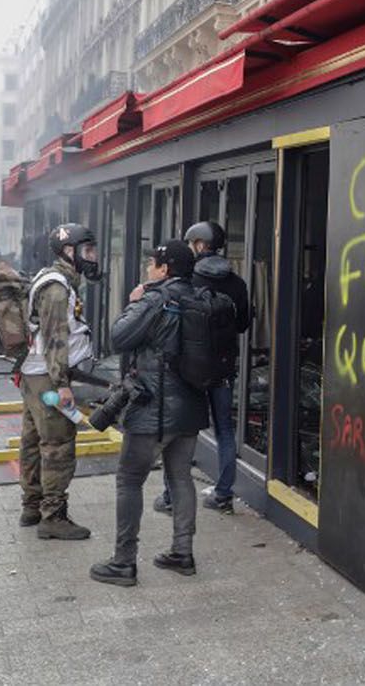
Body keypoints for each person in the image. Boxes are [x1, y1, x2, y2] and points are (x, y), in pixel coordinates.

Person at [91, 240, 208, 587]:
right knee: (181, 478)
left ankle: (124, 561)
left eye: (152, 263)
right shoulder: (200, 298)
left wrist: (135, 301)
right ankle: (182, 553)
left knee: (129, 480)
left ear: (165, 268)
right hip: (190, 406)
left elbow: (119, 337)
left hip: (153, 409)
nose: (147, 268)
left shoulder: (157, 299)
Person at [155, 221, 250, 515]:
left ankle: (171, 497)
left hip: (190, 371)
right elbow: (244, 324)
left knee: (182, 432)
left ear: (198, 245)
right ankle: (223, 495)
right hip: (222, 370)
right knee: (224, 430)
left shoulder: (188, 279)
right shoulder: (237, 283)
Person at [18, 223, 100, 540]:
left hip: (35, 376)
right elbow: (55, 340)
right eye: (88, 251)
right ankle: (53, 516)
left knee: (32, 440)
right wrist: (62, 384)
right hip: (48, 380)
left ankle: (31, 506)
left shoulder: (55, 280)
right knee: (57, 444)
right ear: (70, 251)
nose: (92, 257)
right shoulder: (56, 288)